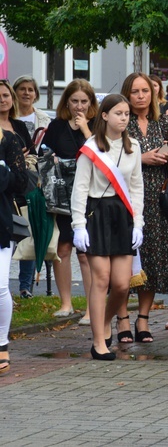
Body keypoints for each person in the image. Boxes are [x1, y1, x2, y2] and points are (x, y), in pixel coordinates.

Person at [70, 94, 144, 360]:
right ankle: (99, 342)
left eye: (126, 114)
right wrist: (79, 225)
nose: (124, 118)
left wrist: (138, 223)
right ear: (104, 116)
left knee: (122, 285)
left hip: (123, 216)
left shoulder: (133, 147)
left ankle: (103, 321)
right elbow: (79, 190)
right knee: (101, 280)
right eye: (118, 113)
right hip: (97, 214)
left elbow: (136, 188)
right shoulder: (91, 147)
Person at [116, 73, 168, 344]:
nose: (141, 96)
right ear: (126, 95)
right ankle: (122, 319)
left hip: (157, 198)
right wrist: (142, 158)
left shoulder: (162, 121)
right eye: (135, 92)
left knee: (152, 261)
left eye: (145, 91)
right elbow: (111, 159)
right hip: (125, 198)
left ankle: (143, 319)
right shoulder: (120, 120)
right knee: (124, 262)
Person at [40, 79, 98, 320]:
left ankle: (90, 308)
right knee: (63, 247)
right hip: (63, 195)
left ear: (91, 103)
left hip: (90, 196)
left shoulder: (97, 124)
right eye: (74, 101)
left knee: (86, 252)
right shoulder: (57, 126)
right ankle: (66, 303)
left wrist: (85, 128)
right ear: (67, 102)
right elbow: (44, 153)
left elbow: (100, 153)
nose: (79, 106)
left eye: (84, 101)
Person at [12, 75, 50, 299]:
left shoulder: (44, 119)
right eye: (22, 89)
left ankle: (25, 286)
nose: (26, 93)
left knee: (28, 228)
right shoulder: (7, 117)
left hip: (33, 178)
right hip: (10, 177)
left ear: (36, 94)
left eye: (30, 90)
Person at [0, 121, 28, 374]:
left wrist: (2, 170)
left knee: (0, 286)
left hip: (1, 223)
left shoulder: (8, 140)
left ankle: (1, 344)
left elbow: (21, 182)